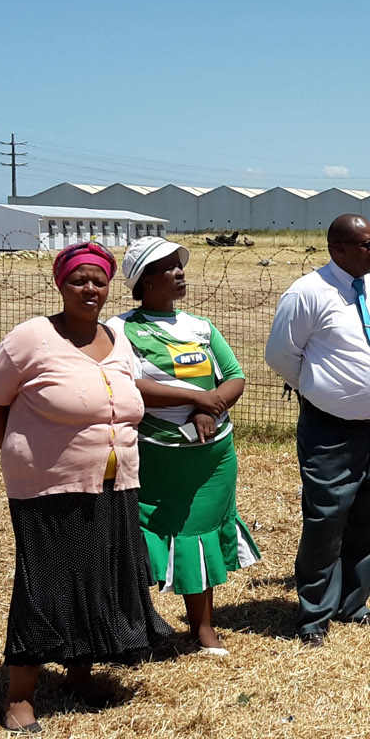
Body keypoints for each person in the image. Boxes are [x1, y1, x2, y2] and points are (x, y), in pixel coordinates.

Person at [0, 241, 172, 734]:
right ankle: (20, 697)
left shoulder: (117, 337)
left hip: (116, 482)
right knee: (45, 587)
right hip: (48, 484)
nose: (90, 289)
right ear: (59, 284)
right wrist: (17, 451)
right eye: (78, 280)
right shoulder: (32, 337)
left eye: (98, 281)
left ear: (110, 286)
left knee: (98, 580)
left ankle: (80, 675)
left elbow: (128, 397)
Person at [108, 236, 260, 658]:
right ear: (144, 281)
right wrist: (195, 399)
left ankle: (203, 628)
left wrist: (212, 407)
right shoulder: (121, 330)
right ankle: (134, 627)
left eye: (180, 265)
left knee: (200, 537)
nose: (180, 273)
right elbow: (128, 384)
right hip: (158, 456)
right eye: (168, 268)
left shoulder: (201, 327)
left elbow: (233, 376)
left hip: (211, 457)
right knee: (145, 538)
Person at [265, 214, 370, 647]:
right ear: (337, 249)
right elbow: (281, 355)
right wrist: (322, 391)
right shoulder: (308, 293)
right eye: (366, 245)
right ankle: (314, 615)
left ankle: (353, 602)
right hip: (330, 429)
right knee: (326, 518)